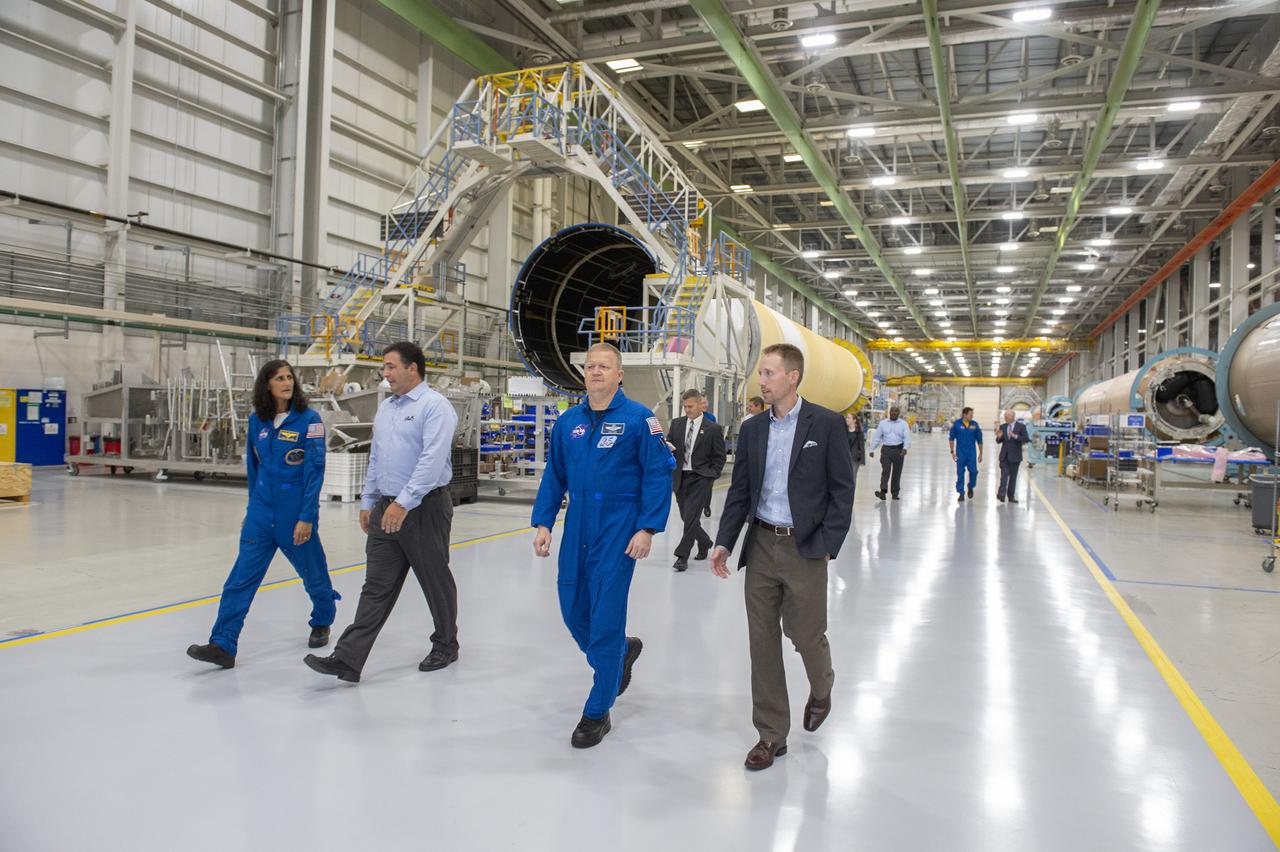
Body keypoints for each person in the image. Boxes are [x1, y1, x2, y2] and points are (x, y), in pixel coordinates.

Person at [710, 343, 855, 771]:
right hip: (760, 544)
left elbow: (842, 490)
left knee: (805, 635)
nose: (762, 381)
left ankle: (822, 685)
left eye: (770, 373)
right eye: (762, 373)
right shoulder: (753, 429)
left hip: (805, 546)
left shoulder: (826, 425)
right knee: (762, 642)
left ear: (792, 377)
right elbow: (740, 491)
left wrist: (828, 543)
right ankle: (771, 734)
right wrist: (724, 541)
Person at [531, 342, 674, 748]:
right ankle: (618, 655)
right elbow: (554, 475)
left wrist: (646, 528)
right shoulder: (568, 422)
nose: (595, 371)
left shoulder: (639, 419)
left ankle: (598, 709)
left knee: (606, 613)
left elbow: (657, 475)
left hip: (618, 525)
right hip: (578, 523)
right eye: (590, 366)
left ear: (619, 374)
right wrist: (544, 521)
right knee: (572, 606)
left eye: (604, 366)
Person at [304, 342, 458, 683]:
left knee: (434, 579)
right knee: (376, 586)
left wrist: (403, 503)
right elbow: (377, 458)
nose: (384, 374)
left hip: (424, 507)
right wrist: (369, 500)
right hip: (386, 507)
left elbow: (431, 462)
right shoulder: (387, 408)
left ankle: (446, 644)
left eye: (390, 367)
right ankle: (347, 659)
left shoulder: (435, 407)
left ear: (412, 368)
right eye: (384, 368)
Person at [187, 360, 339, 669]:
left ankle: (322, 618)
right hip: (261, 509)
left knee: (313, 574)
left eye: (289, 377)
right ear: (266, 385)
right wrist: (252, 507)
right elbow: (253, 468)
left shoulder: (310, 420)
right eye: (279, 378)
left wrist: (306, 516)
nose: (287, 382)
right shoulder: (258, 420)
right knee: (240, 579)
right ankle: (223, 644)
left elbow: (315, 470)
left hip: (294, 509)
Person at [667, 389, 726, 572]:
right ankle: (705, 541)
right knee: (686, 516)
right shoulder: (676, 424)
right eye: (684, 406)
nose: (687, 410)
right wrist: (667, 447)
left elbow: (720, 456)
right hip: (680, 477)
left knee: (691, 516)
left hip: (701, 478)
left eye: (690, 406)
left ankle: (682, 556)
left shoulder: (713, 429)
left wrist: (711, 475)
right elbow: (670, 444)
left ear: (701, 404)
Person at [868, 406, 911, 500]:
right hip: (886, 450)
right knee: (885, 471)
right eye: (892, 411)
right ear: (889, 412)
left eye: (896, 411)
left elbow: (907, 437)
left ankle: (895, 493)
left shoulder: (903, 424)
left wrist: (905, 448)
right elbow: (877, 437)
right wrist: (872, 449)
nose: (894, 413)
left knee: (897, 472)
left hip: (899, 450)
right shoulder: (883, 424)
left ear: (898, 413)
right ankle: (883, 492)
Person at [949, 406, 984, 503]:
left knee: (973, 471)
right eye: (970, 414)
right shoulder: (956, 424)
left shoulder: (975, 425)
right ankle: (961, 493)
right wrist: (952, 452)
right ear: (964, 414)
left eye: (972, 414)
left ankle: (971, 486)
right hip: (960, 453)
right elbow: (951, 438)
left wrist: (981, 453)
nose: (972, 416)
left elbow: (980, 440)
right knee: (960, 472)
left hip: (971, 453)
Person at [995, 410, 1030, 503]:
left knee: (1013, 478)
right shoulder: (1003, 426)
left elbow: (1026, 439)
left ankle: (1011, 496)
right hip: (1005, 456)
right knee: (1004, 476)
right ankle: (1001, 494)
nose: (1005, 418)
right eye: (1005, 416)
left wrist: (1015, 436)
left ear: (1012, 417)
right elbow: (999, 441)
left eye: (1007, 416)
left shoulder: (1021, 426)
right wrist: (998, 437)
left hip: (1015, 456)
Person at [845, 412, 866, 501]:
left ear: (854, 420)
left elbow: (861, 446)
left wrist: (863, 460)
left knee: (853, 477)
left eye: (849, 418)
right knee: (844, 476)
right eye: (846, 418)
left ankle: (851, 495)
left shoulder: (859, 432)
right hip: (844, 457)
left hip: (854, 458)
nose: (847, 419)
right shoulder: (844, 431)